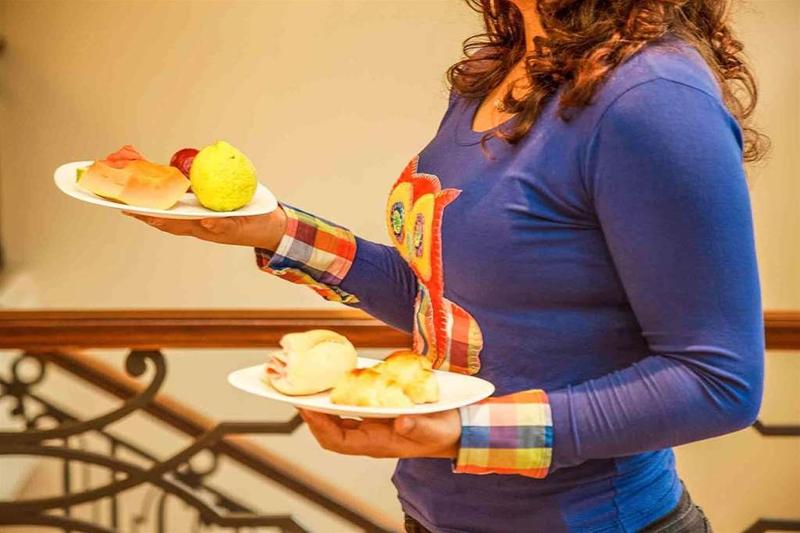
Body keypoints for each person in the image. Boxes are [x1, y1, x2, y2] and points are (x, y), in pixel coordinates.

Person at [127, 0, 767, 530]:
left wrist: (464, 431)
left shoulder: (654, 96)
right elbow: (438, 297)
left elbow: (717, 382)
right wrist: (275, 230)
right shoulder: (496, 76)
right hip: (431, 514)